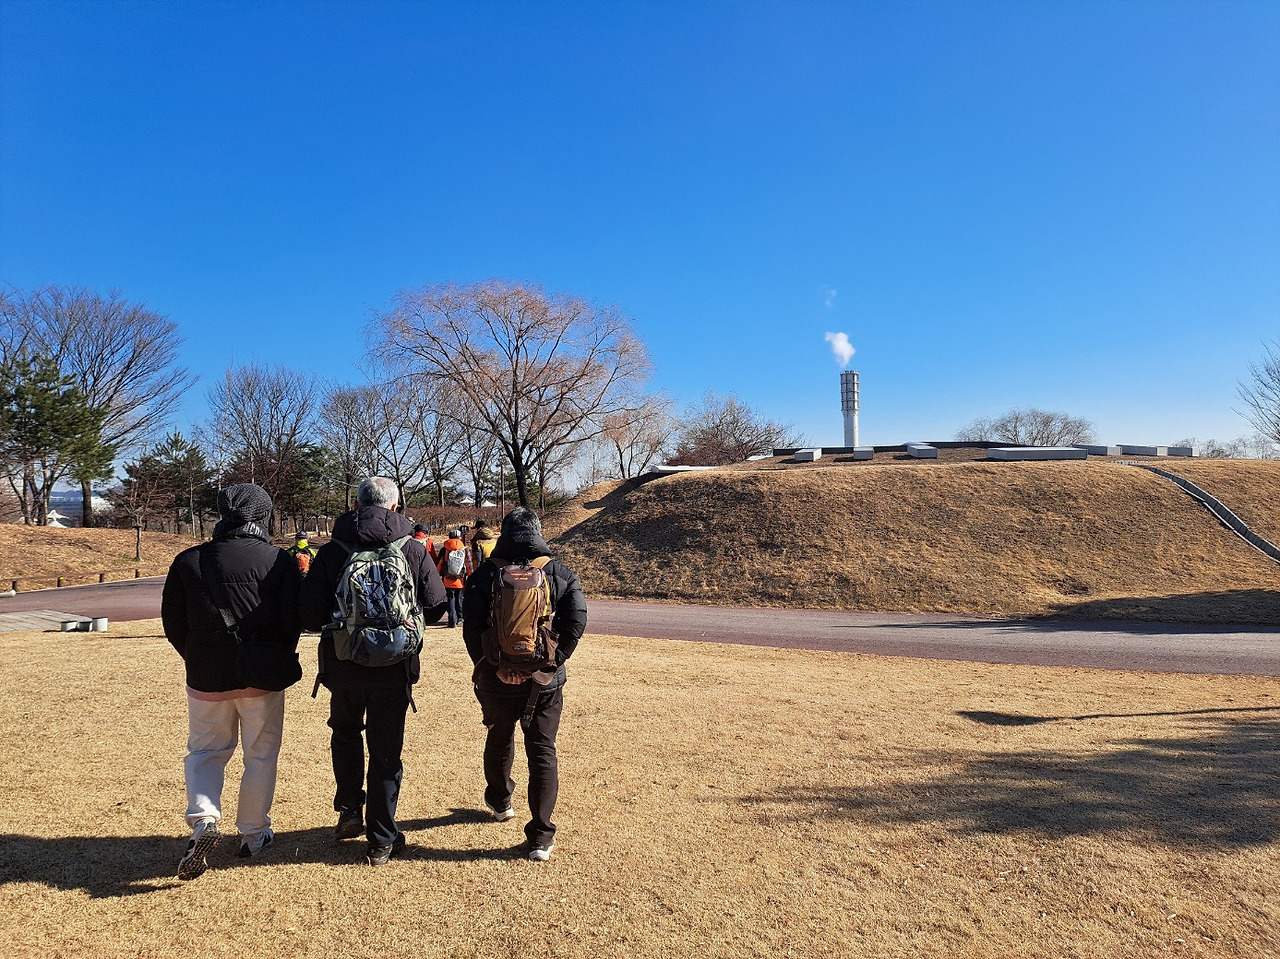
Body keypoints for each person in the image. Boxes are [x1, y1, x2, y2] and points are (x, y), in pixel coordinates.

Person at [298, 476, 447, 866]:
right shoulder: (412, 548)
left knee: (345, 732)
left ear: (357, 505)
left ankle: (350, 809)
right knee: (385, 750)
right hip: (394, 667)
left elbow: (309, 614)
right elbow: (437, 607)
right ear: (395, 507)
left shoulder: (333, 550)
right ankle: (382, 838)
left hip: (343, 663)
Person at [161, 483, 303, 880]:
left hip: (206, 675)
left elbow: (173, 624)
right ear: (263, 515)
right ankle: (253, 833)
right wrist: (274, 654)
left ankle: (204, 819)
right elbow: (292, 620)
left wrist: (195, 656)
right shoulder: (278, 560)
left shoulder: (188, 560)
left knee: (205, 751)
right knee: (260, 755)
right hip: (262, 675)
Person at [462, 506, 587, 862]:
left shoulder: (486, 573)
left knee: (499, 736)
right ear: (538, 532)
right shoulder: (558, 572)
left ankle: (501, 801)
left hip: (495, 679)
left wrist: (491, 666)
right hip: (544, 682)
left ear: (504, 533)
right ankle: (541, 837)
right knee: (543, 750)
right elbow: (576, 622)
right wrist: (551, 663)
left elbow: (472, 628)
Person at [437, 528, 471, 628]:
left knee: (450, 599)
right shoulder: (464, 549)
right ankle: (460, 618)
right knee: (459, 598)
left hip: (447, 580)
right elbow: (468, 564)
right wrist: (471, 576)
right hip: (460, 580)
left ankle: (452, 620)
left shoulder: (445, 549)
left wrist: (437, 575)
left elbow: (439, 563)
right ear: (460, 537)